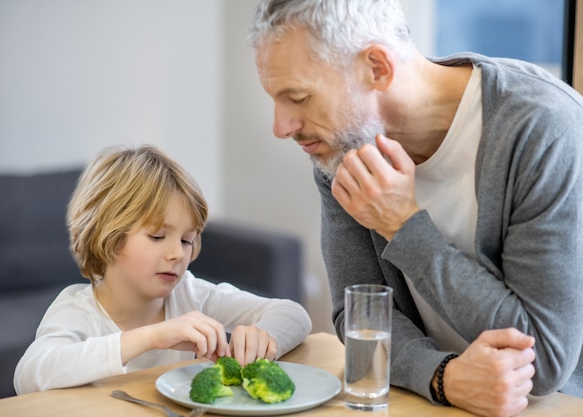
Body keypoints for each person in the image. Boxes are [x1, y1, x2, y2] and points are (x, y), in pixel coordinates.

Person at [248, 1, 583, 416]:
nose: (281, 127)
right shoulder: (342, 148)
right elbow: (358, 316)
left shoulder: (543, 129)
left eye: (297, 97)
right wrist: (442, 376)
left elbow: (544, 360)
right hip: (423, 403)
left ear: (377, 68)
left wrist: (403, 225)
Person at [13, 145, 312, 395]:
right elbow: (29, 376)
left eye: (186, 240)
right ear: (110, 236)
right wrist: (153, 337)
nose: (176, 254)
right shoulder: (79, 310)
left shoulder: (190, 295)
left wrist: (263, 337)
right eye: (157, 236)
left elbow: (293, 314)